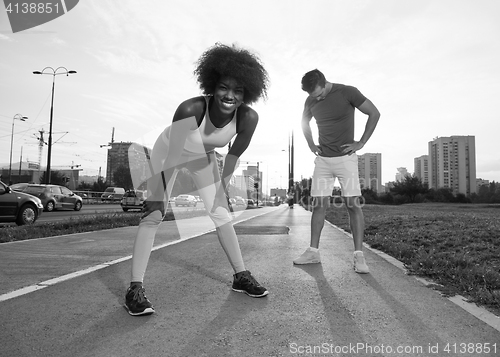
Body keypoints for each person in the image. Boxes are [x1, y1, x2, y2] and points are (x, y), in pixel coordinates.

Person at [125, 43, 270, 316]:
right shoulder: (190, 109)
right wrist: (157, 193)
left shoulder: (248, 118)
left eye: (238, 90)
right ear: (212, 86)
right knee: (154, 214)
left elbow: (232, 156)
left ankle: (241, 275)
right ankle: (134, 289)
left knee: (221, 213)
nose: (230, 95)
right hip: (170, 152)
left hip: (203, 155)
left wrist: (221, 190)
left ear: (246, 94)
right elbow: (173, 158)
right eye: (224, 87)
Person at [293, 69, 380, 273]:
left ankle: (359, 256)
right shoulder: (310, 100)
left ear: (324, 83)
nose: (318, 98)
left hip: (345, 159)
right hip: (323, 160)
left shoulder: (348, 92)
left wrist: (361, 142)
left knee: (353, 205)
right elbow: (304, 122)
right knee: (318, 205)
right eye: (313, 96)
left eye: (319, 94)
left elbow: (374, 113)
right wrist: (311, 144)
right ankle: (313, 252)